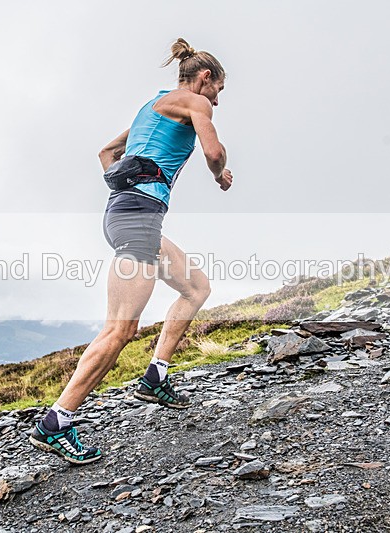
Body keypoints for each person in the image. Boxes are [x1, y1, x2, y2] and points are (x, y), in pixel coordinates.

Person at [30, 37, 232, 465]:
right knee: (119, 330)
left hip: (133, 215)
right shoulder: (196, 104)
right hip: (137, 218)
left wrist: (123, 183)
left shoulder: (151, 107)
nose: (218, 100)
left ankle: (155, 377)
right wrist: (220, 174)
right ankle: (57, 423)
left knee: (196, 288)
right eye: (218, 90)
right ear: (205, 78)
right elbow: (213, 152)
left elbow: (107, 152)